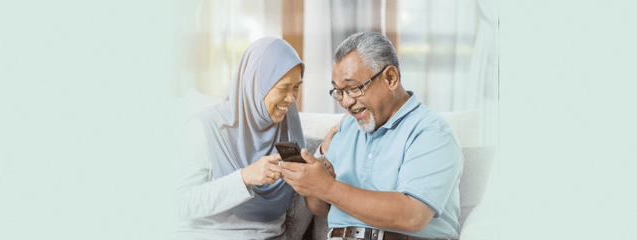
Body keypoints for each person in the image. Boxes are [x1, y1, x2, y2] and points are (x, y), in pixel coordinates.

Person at [280, 32, 464, 240]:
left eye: (352, 88)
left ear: (390, 78)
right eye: (338, 91)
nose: (346, 102)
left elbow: (413, 216)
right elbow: (321, 208)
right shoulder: (348, 127)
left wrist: (328, 187)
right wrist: (314, 183)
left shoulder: (431, 132)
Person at [173, 37, 306, 239]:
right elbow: (180, 203)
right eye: (283, 88)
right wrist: (244, 177)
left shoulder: (288, 130)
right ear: (255, 84)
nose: (291, 98)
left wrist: (324, 155)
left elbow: (298, 197)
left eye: (296, 87)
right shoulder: (205, 127)